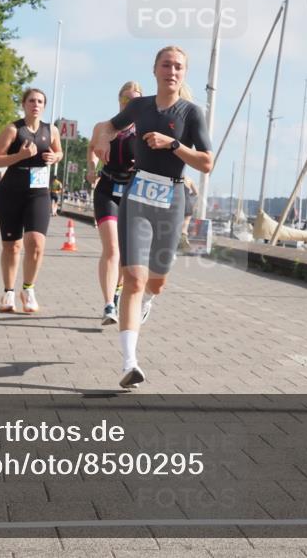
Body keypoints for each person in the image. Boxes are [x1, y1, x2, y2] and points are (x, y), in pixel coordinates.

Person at [91, 47, 212, 388]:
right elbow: (108, 126)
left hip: (171, 199)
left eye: (178, 66)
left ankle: (148, 302)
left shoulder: (191, 113)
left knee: (156, 282)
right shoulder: (139, 106)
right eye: (166, 65)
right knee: (133, 278)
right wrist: (101, 140)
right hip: (138, 195)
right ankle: (130, 363)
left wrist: (173, 145)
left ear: (184, 73)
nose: (171, 71)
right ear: (155, 69)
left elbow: (206, 163)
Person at [0, 88, 62, 314]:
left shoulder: (52, 131)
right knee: (12, 246)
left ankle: (28, 289)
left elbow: (59, 153)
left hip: (38, 193)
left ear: (44, 106)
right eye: (31, 100)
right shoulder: (13, 129)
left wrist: (55, 157)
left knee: (37, 244)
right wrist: (19, 156)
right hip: (10, 193)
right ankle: (8, 292)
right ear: (24, 104)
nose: (36, 104)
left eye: (40, 101)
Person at [87, 81, 142, 326]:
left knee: (124, 254)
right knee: (112, 249)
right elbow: (91, 147)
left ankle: (118, 294)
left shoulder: (143, 130)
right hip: (107, 188)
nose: (129, 104)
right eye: (126, 100)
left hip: (132, 190)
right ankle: (109, 304)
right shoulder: (103, 127)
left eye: (135, 101)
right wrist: (91, 168)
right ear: (119, 101)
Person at [178, 176, 199, 253]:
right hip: (187, 203)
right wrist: (190, 195)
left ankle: (175, 243)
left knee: (174, 224)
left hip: (177, 203)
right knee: (185, 224)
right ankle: (184, 236)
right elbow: (196, 192)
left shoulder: (177, 176)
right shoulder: (189, 179)